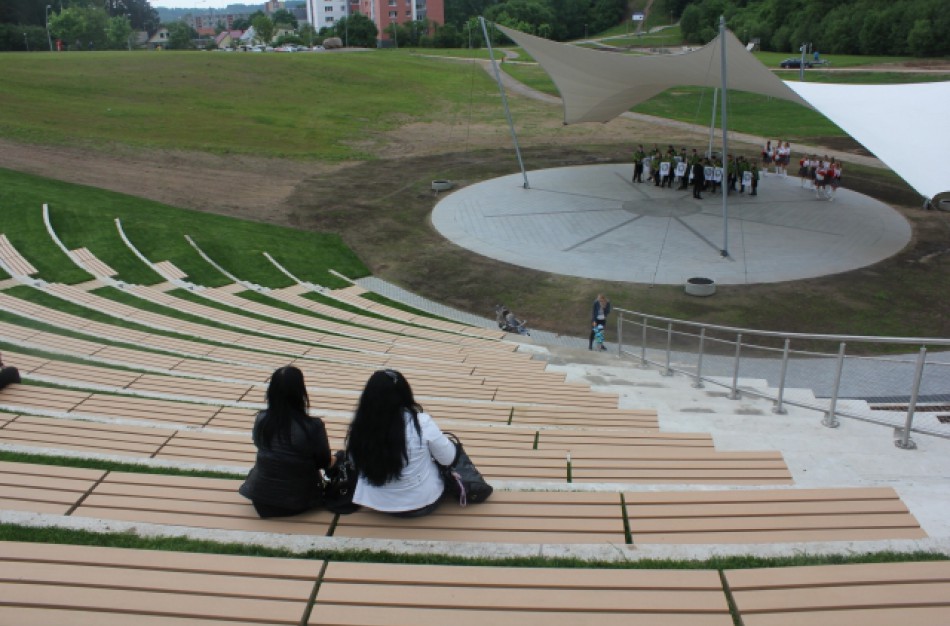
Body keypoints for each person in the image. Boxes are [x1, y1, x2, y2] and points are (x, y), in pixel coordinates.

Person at [347, 369, 456, 517]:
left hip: (375, 502)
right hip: (420, 502)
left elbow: (354, 462)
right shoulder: (421, 422)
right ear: (404, 393)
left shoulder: (361, 426)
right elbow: (448, 458)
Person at [239, 366, 334, 518]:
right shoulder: (312, 425)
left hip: (261, 501)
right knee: (339, 458)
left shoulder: (262, 419)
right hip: (299, 501)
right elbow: (323, 461)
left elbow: (259, 444)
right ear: (300, 392)